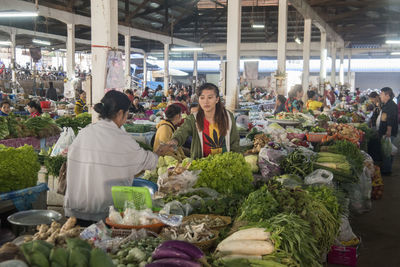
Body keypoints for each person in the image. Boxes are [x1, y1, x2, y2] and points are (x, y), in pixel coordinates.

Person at [64, 90, 172, 224]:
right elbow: (148, 162)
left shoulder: (84, 132)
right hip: (104, 215)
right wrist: (160, 151)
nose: (126, 118)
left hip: (74, 213)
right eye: (127, 114)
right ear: (120, 113)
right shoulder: (121, 139)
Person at [168, 83, 240, 159]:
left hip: (225, 165)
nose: (206, 102)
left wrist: (235, 160)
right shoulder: (193, 119)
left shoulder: (228, 117)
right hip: (201, 166)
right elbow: (182, 132)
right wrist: (175, 140)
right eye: (202, 98)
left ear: (217, 99)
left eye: (210, 97)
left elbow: (235, 141)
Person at [378, 87, 398, 175]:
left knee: (387, 151)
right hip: (385, 131)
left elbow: (390, 119)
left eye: (381, 94)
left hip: (388, 132)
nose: (380, 96)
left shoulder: (391, 105)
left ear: (387, 95)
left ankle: (386, 170)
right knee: (388, 150)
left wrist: (388, 131)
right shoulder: (387, 104)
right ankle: (387, 167)